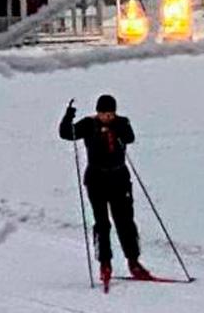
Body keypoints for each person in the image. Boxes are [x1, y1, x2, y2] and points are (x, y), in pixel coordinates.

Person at [59, 94, 152, 284]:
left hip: (119, 178)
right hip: (96, 179)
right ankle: (105, 263)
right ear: (98, 112)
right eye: (103, 113)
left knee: (125, 221)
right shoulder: (89, 124)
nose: (107, 117)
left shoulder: (121, 123)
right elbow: (67, 134)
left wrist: (116, 128)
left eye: (110, 114)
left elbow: (130, 138)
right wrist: (68, 116)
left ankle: (133, 262)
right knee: (102, 223)